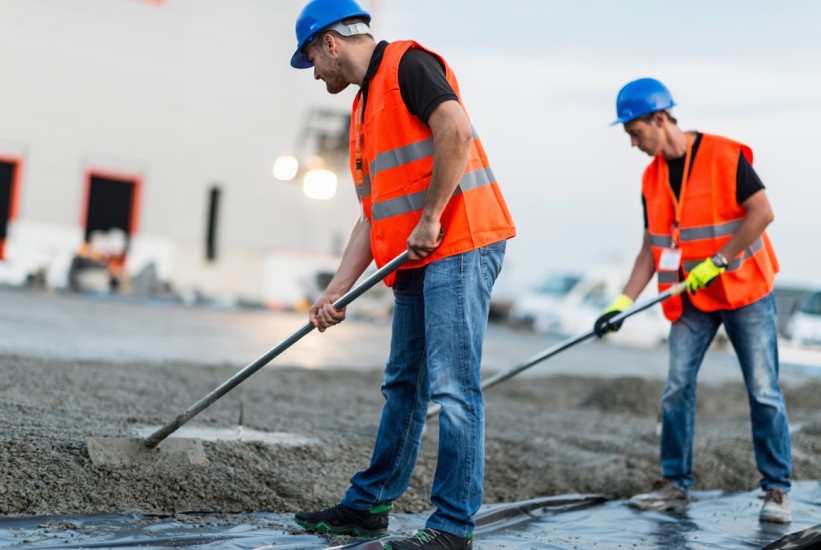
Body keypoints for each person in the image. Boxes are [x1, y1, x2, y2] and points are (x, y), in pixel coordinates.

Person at [288, 1, 517, 548]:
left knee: (453, 388)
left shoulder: (409, 65)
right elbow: (375, 214)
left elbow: (455, 131)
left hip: (459, 243)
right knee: (403, 385)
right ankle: (368, 506)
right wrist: (336, 290)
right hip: (416, 256)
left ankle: (452, 527)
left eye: (311, 60)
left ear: (331, 44)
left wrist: (433, 216)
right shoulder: (364, 109)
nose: (315, 73)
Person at [595, 77, 792, 523]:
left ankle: (777, 491)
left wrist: (720, 260)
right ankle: (674, 485)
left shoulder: (725, 156)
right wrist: (621, 304)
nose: (632, 143)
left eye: (634, 132)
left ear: (659, 119)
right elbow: (650, 250)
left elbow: (763, 213)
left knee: (763, 391)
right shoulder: (651, 178)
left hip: (745, 291)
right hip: (693, 300)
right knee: (676, 389)